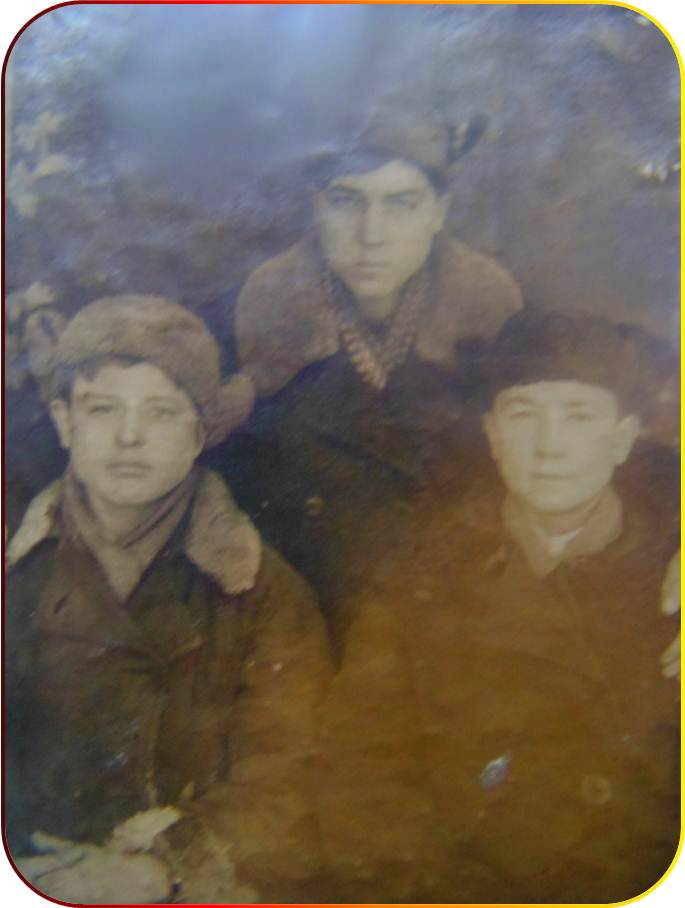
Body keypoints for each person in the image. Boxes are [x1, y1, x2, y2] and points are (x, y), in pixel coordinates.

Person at [316, 309, 679, 903]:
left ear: (622, 439)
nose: (549, 446)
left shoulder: (669, 578)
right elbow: (358, 771)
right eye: (523, 414)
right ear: (491, 434)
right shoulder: (415, 578)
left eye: (579, 415)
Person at [5, 295, 333, 902]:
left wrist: (163, 866)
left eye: (160, 412)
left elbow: (290, 779)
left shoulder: (262, 590)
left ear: (199, 433)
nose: (129, 438)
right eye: (102, 409)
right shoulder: (14, 571)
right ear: (64, 422)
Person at [214, 107, 522, 647]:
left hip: (458, 620)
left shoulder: (495, 318)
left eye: (401, 204)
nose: (371, 234)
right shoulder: (258, 319)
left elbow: (592, 438)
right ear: (316, 206)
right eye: (347, 201)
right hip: (306, 620)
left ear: (439, 213)